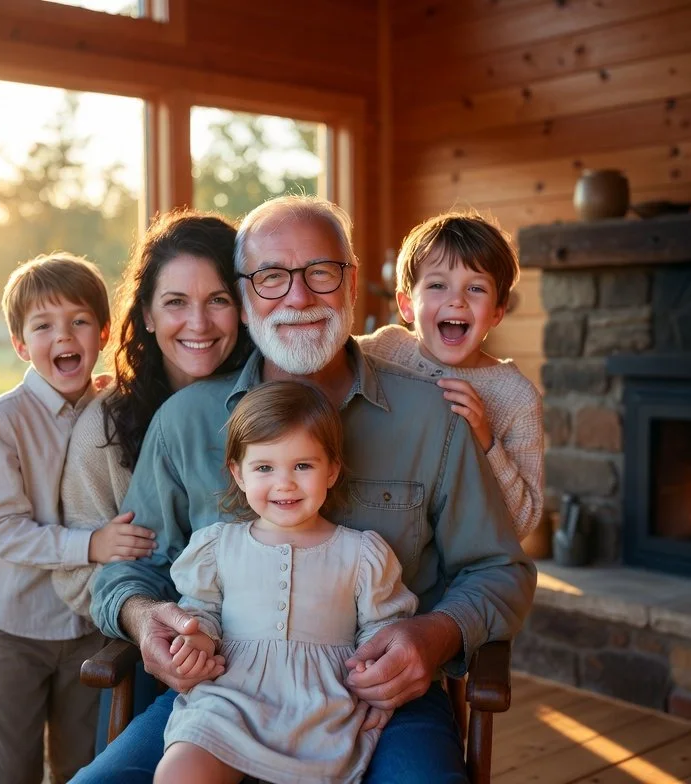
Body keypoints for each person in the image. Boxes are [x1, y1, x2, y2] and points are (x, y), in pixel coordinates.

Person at [73, 195, 537, 784]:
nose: (299, 297)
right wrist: (144, 618)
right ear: (244, 298)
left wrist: (435, 634)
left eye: (321, 272)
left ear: (350, 284)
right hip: (220, 697)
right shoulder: (186, 421)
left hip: (386, 703)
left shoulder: (433, 417)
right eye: (271, 277)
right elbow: (127, 572)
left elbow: (501, 570)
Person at [154, 380, 419, 784]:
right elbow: (201, 611)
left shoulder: (361, 553)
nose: (284, 483)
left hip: (320, 708)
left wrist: (376, 671)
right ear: (238, 473)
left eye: (303, 466)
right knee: (180, 772)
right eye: (264, 467)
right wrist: (197, 641)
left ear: (331, 470)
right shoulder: (219, 546)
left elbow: (381, 628)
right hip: (228, 699)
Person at [55, 209, 252, 619]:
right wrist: (161, 619)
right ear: (147, 314)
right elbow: (75, 578)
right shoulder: (103, 428)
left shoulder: (271, 406)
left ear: (244, 309)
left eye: (218, 300)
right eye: (175, 302)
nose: (198, 324)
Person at [0, 251, 115, 784]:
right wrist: (90, 545)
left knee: (81, 766)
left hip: (84, 627)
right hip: (16, 627)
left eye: (79, 320)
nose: (64, 336)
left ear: (102, 333)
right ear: (19, 344)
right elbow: (1, 529)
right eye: (43, 325)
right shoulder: (3, 421)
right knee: (11, 769)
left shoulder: (112, 409)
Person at [359, 211, 544, 538]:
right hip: (372, 534)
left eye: (475, 288)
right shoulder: (383, 351)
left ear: (498, 311)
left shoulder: (517, 398)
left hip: (456, 554)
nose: (456, 300)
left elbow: (522, 522)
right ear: (406, 306)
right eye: (437, 285)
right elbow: (327, 361)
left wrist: (486, 441)